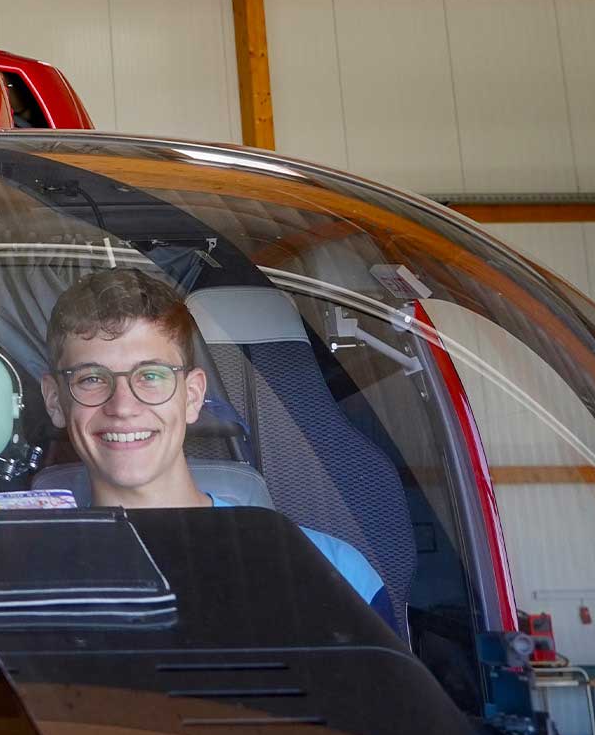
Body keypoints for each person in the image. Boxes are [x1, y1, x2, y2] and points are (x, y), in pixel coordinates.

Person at [37, 268, 398, 633]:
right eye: (92, 379)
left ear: (192, 396)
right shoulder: (28, 575)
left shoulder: (331, 570)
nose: (123, 406)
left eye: (150, 376)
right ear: (55, 400)